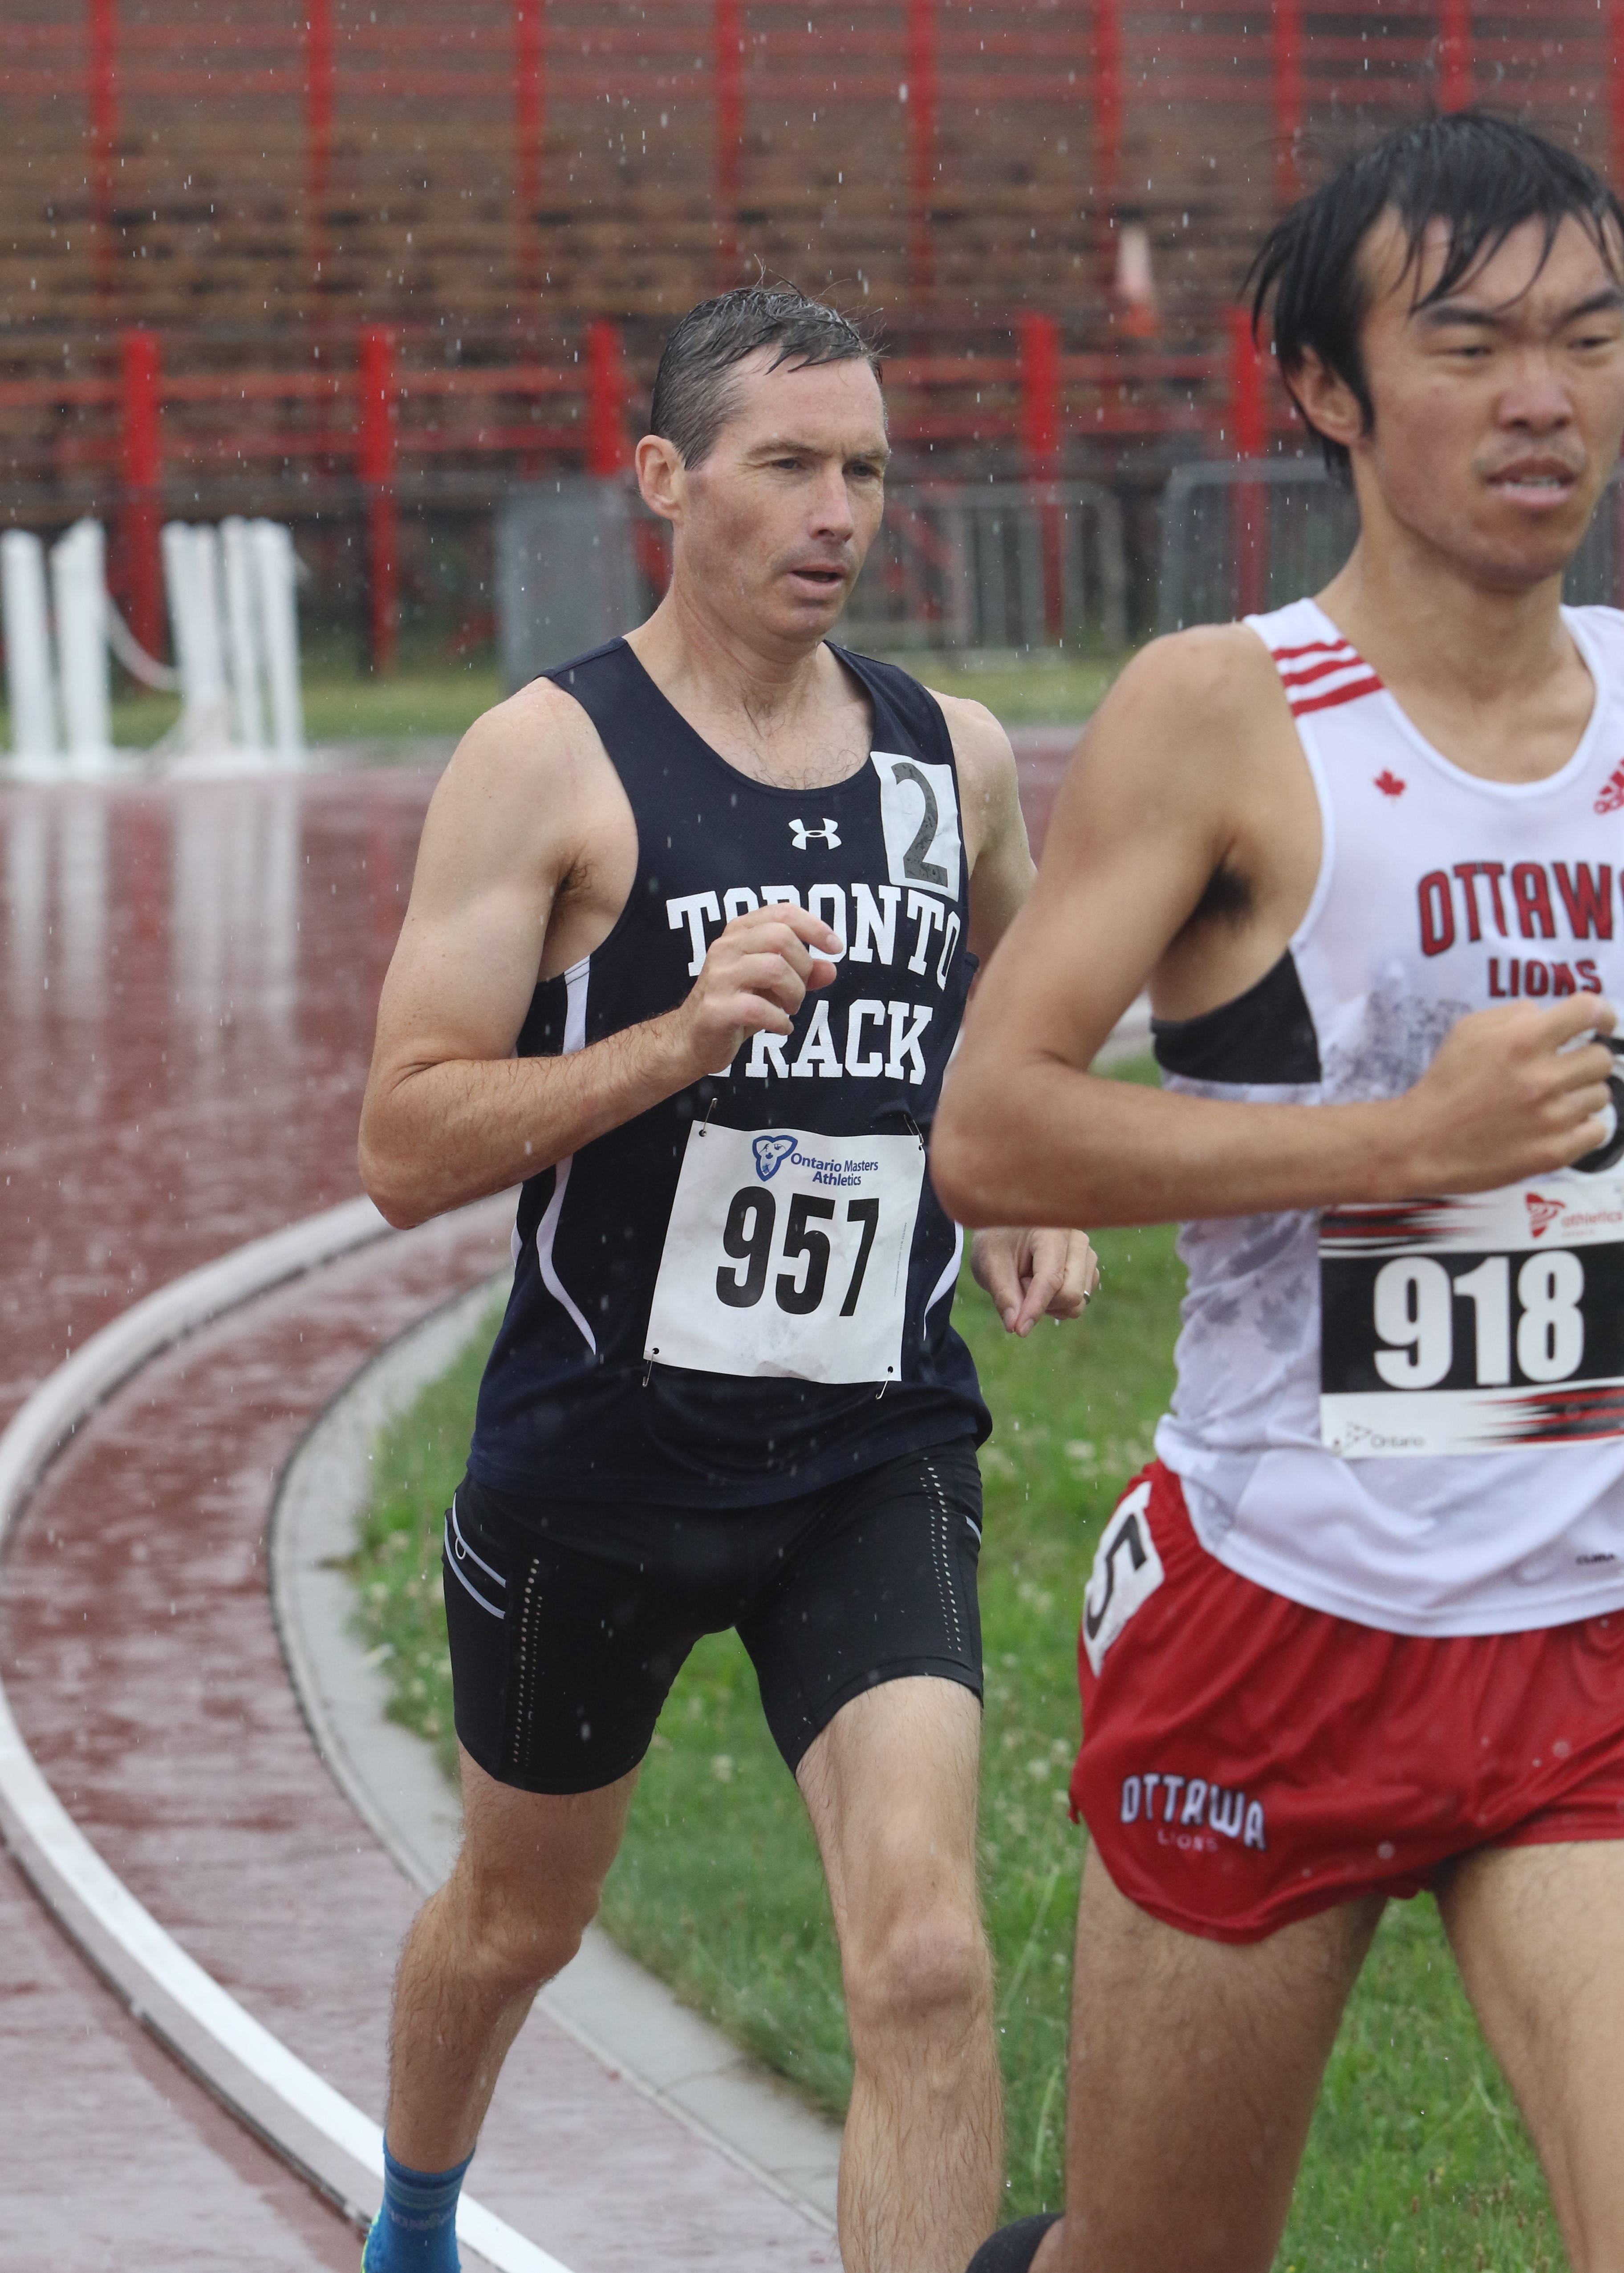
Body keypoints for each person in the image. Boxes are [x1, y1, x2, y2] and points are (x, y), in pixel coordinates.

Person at [933, 113, 1624, 2273]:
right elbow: (996, 1127)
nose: (1544, 397)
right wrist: (1399, 1150)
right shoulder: (1229, 714)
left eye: (1592, 339)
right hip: (1281, 1603)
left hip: (1586, 1621)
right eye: (1474, 346)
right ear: (1326, 385)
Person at [355, 284, 1096, 2273]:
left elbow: (1016, 1023)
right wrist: (672, 1043)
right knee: (517, 1919)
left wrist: (1024, 1180)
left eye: (867, 469)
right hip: (602, 1461)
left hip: (870, 1446)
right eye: (788, 465)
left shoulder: (951, 759)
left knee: (927, 1955)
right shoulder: (549, 759)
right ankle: (413, 2221)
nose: (838, 511)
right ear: (667, 478)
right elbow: (402, 1142)